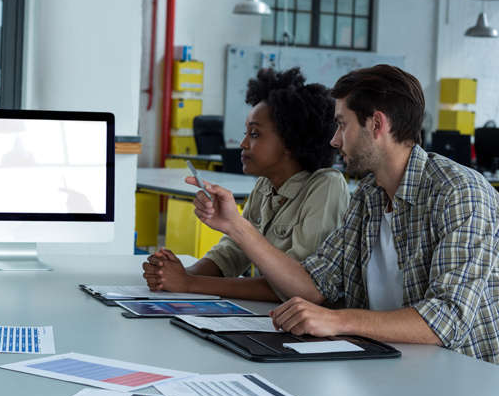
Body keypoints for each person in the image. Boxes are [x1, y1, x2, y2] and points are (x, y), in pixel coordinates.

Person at [190, 64, 499, 366]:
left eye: (342, 125)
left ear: (376, 124)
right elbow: (315, 286)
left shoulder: (460, 194)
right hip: (382, 362)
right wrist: (235, 225)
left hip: (458, 377)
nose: (333, 139)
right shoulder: (370, 195)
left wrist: (337, 319)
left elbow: (446, 319)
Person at [143, 68, 349, 301]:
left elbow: (298, 286)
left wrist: (191, 284)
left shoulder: (326, 187)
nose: (242, 143)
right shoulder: (265, 185)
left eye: (254, 134)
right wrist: (178, 275)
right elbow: (233, 251)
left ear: (291, 141)